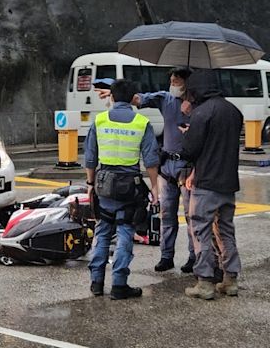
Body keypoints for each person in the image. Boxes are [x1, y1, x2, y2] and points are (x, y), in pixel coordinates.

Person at [97, 67, 196, 273]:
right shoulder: (166, 99)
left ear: (187, 82)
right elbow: (138, 99)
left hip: (188, 167)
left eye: (176, 81)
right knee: (167, 215)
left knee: (191, 216)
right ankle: (166, 256)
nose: (172, 84)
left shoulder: (199, 104)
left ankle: (193, 257)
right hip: (167, 166)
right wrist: (115, 94)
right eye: (171, 80)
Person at [85, 79, 159, 300]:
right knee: (125, 231)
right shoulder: (141, 122)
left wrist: (90, 185)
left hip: (103, 183)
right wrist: (155, 188)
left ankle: (96, 282)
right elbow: (151, 160)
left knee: (103, 230)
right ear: (133, 98)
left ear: (112, 97)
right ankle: (119, 284)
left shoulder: (99, 121)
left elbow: (90, 157)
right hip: (129, 186)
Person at [179, 69, 242, 300]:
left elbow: (190, 150)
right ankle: (230, 279)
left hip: (206, 183)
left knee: (201, 231)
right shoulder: (234, 111)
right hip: (228, 183)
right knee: (226, 231)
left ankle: (205, 281)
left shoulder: (201, 113)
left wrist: (187, 131)